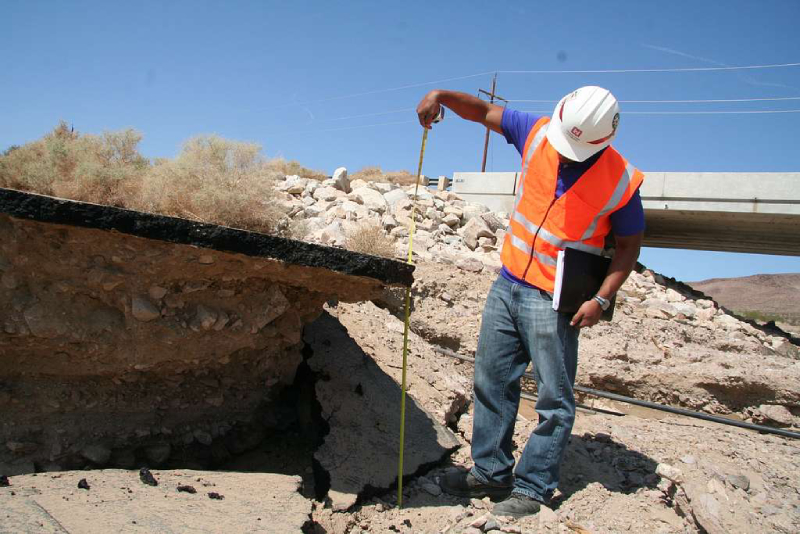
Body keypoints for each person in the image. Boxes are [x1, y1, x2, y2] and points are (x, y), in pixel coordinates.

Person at [416, 86, 645, 518]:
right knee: (492, 379)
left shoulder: (622, 181)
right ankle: (490, 471)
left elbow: (630, 245)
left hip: (557, 301)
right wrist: (440, 95)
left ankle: (534, 486)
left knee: (553, 399)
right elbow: (483, 110)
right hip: (507, 283)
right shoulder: (539, 133)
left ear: (603, 139)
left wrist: (602, 297)